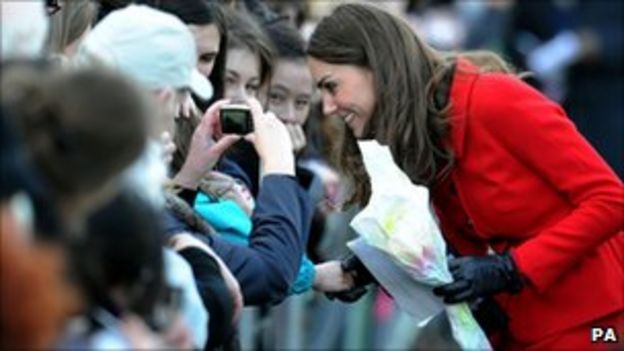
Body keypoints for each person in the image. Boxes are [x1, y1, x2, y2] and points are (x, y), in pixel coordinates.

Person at [307, 4, 623, 350]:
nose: (327, 106)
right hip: (522, 333)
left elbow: (611, 199)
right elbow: (448, 242)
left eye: (331, 86)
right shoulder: (426, 128)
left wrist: (510, 268)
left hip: (599, 326)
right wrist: (367, 268)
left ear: (374, 67)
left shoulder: (494, 101)